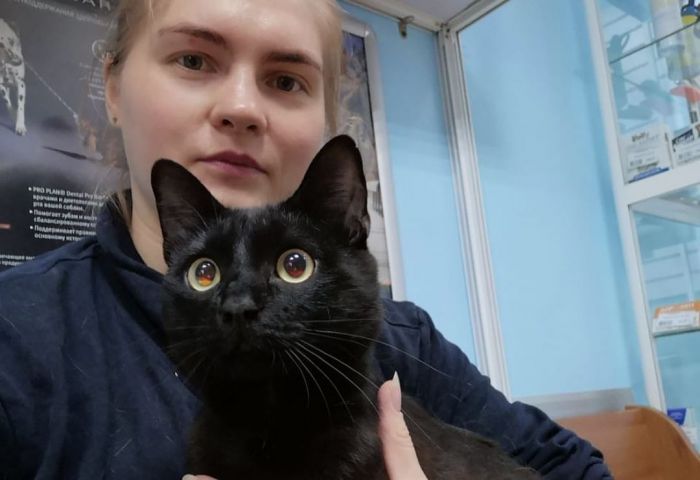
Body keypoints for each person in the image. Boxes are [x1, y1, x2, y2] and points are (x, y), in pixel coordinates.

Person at [0, 0, 612, 478]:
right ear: (112, 87)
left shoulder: (405, 339)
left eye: (286, 80)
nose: (242, 108)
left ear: (325, 121)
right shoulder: (17, 336)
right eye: (194, 60)